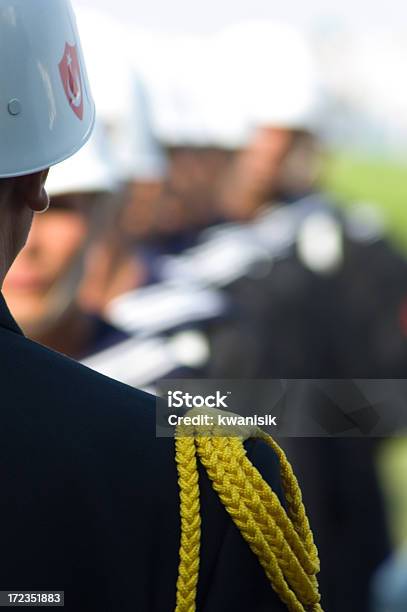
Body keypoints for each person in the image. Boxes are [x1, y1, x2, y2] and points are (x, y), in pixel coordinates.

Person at [0, 3, 322, 611]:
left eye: (74, 208)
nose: (42, 244)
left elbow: (340, 430)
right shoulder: (182, 451)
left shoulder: (214, 346)